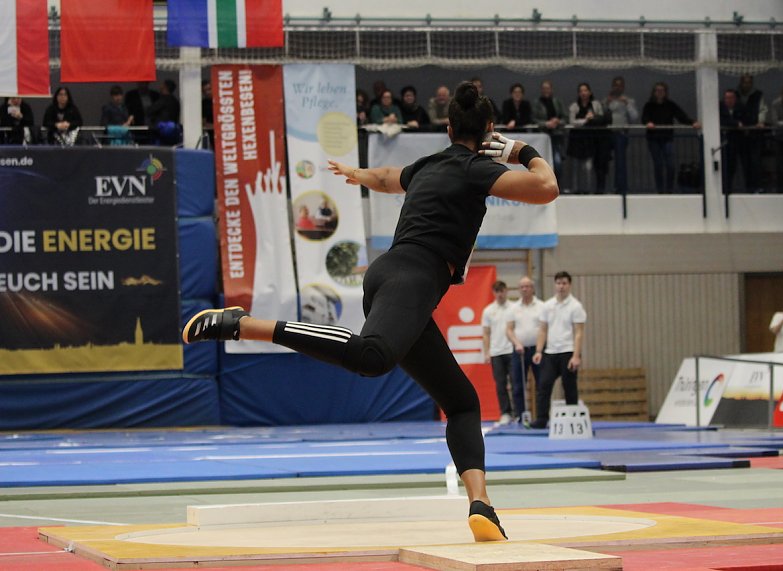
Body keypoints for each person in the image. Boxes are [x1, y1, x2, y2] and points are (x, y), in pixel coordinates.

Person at [182, 81, 559, 542]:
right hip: (413, 277)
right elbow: (546, 188)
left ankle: (481, 505)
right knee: (372, 357)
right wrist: (521, 149)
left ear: (447, 127)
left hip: (399, 277)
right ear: (488, 130)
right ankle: (245, 324)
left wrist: (357, 173)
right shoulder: (477, 168)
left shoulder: (429, 164)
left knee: (462, 402)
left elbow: (385, 178)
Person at [531, 271, 586, 430]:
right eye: (558, 283)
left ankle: (572, 418)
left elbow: (579, 332)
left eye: (564, 283)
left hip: (568, 351)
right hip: (550, 352)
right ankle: (541, 419)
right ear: (554, 285)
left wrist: (576, 356)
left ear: (569, 285)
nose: (561, 286)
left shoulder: (576, 306)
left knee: (569, 386)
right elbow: (542, 330)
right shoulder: (547, 306)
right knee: (544, 384)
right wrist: (539, 350)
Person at [641, 82, 700, 193]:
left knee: (671, 165)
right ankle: (660, 190)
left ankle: (669, 190)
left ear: (665, 92)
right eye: (657, 90)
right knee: (658, 164)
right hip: (653, 139)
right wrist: (648, 123)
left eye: (662, 90)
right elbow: (644, 118)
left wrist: (693, 122)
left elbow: (681, 116)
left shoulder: (670, 105)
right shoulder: (649, 105)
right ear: (654, 92)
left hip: (667, 138)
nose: (659, 93)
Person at [505, 276, 543, 425]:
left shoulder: (541, 306)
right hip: (519, 350)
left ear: (532, 288)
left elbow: (544, 329)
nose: (525, 289)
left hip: (537, 350)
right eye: (522, 287)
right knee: (518, 385)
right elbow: (509, 330)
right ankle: (521, 416)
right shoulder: (513, 308)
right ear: (519, 289)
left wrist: (540, 348)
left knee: (541, 384)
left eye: (527, 286)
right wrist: (517, 343)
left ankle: (541, 417)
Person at [482, 281, 515, 425]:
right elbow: (486, 333)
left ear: (506, 291)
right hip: (496, 352)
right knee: (500, 384)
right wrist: (486, 352)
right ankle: (506, 413)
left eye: (502, 291)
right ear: (493, 293)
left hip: (512, 350)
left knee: (516, 383)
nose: (500, 294)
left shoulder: (514, 307)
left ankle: (519, 412)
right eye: (497, 291)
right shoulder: (488, 311)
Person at [568, 82, 610, 193]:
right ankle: (576, 189)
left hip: (591, 140)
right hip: (576, 140)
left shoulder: (595, 104)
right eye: (581, 91)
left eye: (585, 90)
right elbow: (572, 122)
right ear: (578, 93)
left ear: (590, 92)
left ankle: (587, 189)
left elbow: (601, 118)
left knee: (588, 167)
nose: (583, 93)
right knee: (576, 167)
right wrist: (585, 120)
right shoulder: (574, 106)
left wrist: (593, 118)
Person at [603, 76, 639, 194]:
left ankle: (621, 188)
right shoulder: (607, 100)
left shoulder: (629, 100)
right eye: (615, 85)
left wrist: (627, 103)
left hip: (620, 134)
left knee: (620, 162)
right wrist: (607, 103)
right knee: (603, 162)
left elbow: (634, 117)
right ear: (612, 86)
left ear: (623, 87)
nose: (617, 87)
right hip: (607, 134)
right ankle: (605, 187)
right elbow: (600, 115)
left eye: (620, 85)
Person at [736, 74, 767, 192]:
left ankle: (756, 187)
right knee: (744, 164)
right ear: (741, 83)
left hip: (754, 134)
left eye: (749, 82)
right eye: (745, 82)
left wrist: (760, 122)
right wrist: (736, 123)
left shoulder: (758, 95)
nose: (747, 85)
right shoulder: (736, 95)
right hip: (740, 135)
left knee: (755, 162)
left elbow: (763, 110)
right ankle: (747, 187)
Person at [532, 80, 566, 179]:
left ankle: (557, 185)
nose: (546, 90)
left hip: (556, 136)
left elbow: (565, 118)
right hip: (543, 137)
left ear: (551, 89)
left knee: (557, 162)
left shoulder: (557, 102)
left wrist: (557, 121)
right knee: (543, 162)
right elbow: (534, 119)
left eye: (548, 88)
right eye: (544, 88)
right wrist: (546, 124)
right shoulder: (537, 103)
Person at [719, 89, 746, 194]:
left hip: (737, 142)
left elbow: (746, 119)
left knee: (733, 167)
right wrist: (735, 123)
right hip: (724, 142)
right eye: (727, 98)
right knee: (724, 168)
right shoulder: (720, 108)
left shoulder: (741, 107)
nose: (729, 100)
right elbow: (721, 120)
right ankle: (724, 189)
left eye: (731, 98)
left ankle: (732, 189)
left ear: (735, 99)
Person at [148, 79, 181, 146]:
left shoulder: (163, 100)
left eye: (162, 85)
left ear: (165, 87)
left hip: (162, 132)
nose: (160, 87)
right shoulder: (175, 101)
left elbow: (150, 110)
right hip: (173, 131)